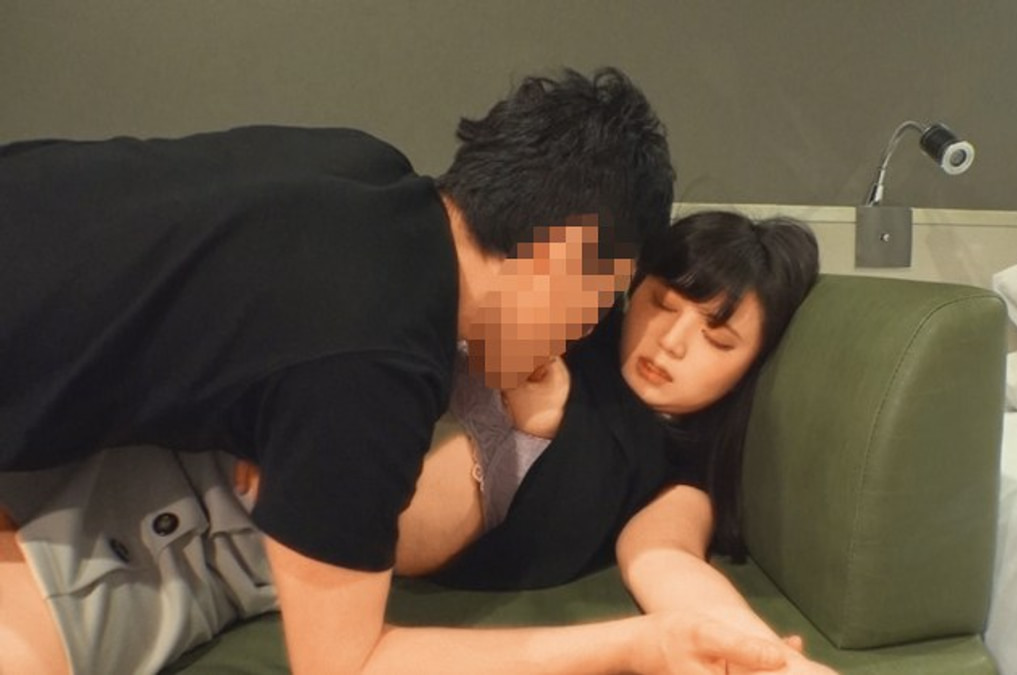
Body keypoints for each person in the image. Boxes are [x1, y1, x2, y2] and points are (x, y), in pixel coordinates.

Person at [2, 67, 798, 674]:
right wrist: (637, 645)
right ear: (564, 254)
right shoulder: (376, 357)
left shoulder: (362, 168)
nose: (588, 328)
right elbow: (346, 664)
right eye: (606, 297)